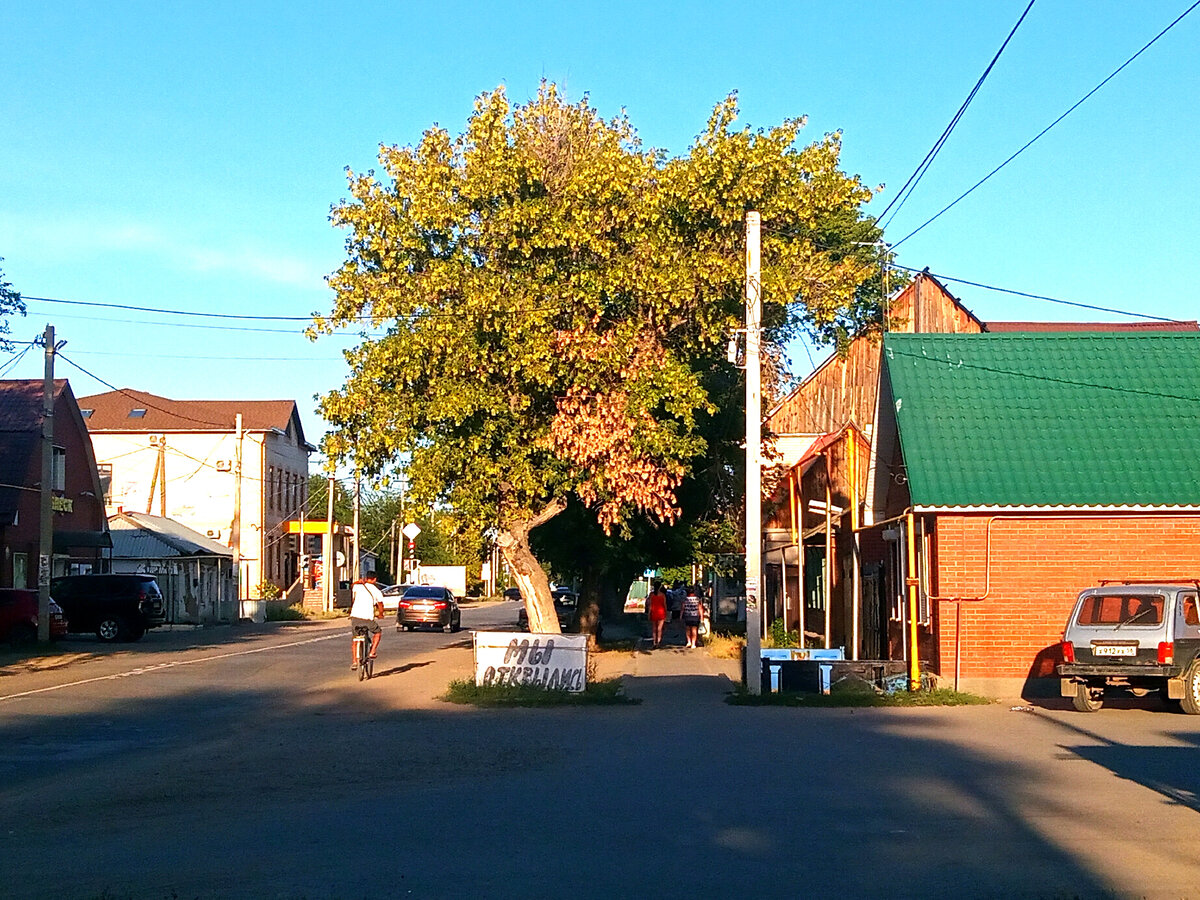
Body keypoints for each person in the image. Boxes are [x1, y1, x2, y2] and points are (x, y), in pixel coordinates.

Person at [349, 572, 384, 669]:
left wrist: (359, 581)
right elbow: (380, 604)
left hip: (355, 617)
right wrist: (380, 614)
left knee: (355, 639)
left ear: (366, 578)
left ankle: (355, 661)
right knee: (378, 632)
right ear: (375, 579)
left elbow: (352, 585)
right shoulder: (376, 591)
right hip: (367, 618)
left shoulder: (358, 587)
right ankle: (372, 651)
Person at [647, 580, 668, 648]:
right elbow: (665, 605)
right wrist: (666, 613)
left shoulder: (651, 595)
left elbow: (650, 605)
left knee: (654, 628)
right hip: (661, 612)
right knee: (660, 628)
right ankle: (658, 641)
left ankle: (654, 642)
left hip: (654, 612)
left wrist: (649, 613)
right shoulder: (662, 595)